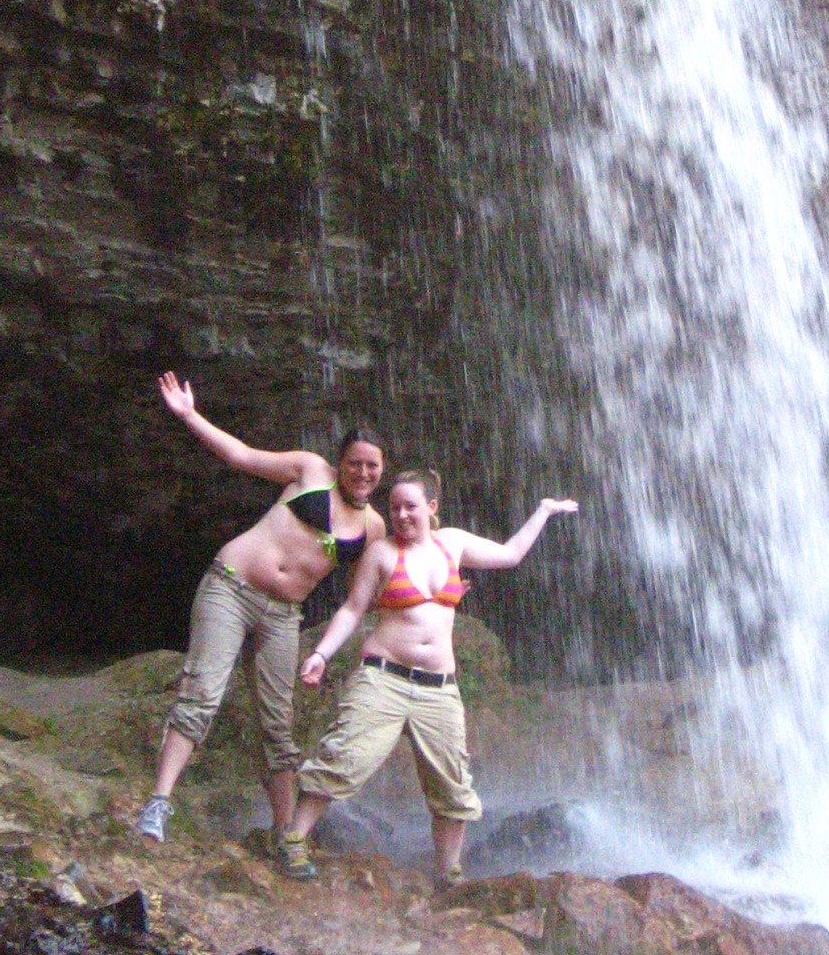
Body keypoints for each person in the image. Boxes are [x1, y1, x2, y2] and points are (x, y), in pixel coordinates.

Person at [278, 468, 578, 883]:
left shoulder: (452, 543)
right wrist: (322, 654)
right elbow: (352, 609)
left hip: (439, 688)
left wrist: (543, 511)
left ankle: (448, 874)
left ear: (431, 508)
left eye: (410, 507)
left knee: (452, 785)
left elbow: (511, 555)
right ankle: (293, 840)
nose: (401, 515)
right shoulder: (381, 553)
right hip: (384, 677)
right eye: (395, 507)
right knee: (342, 758)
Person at [136, 372, 386, 846]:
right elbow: (240, 455)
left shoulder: (373, 528)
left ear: (382, 469)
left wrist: (441, 589)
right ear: (341, 462)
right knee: (202, 695)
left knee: (279, 723)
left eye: (372, 466)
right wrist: (190, 416)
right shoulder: (311, 472)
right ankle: (159, 803)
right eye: (355, 463)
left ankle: (286, 836)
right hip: (231, 588)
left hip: (283, 616)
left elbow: (361, 597)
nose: (363, 473)